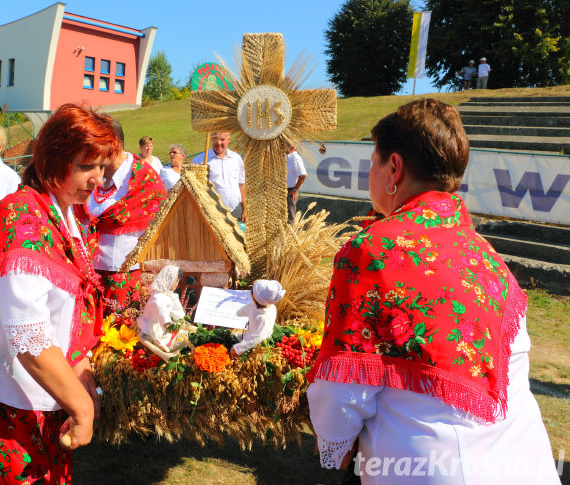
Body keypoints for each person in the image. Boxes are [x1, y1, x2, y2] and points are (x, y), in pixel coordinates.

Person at [306, 99, 559, 484]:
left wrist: (334, 446)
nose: (370, 175)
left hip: (429, 468)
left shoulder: (373, 249)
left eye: (372, 163)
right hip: (525, 461)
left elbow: (341, 390)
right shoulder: (485, 253)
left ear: (394, 167)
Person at [0, 104, 119, 484]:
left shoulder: (61, 212)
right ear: (53, 160)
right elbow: (29, 335)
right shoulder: (22, 218)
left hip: (45, 399)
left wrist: (81, 365)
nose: (97, 180)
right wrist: (81, 407)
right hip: (11, 406)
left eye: (102, 168)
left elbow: (64, 314)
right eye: (86, 167)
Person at [86, 119, 166, 317]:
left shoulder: (144, 178)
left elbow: (161, 229)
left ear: (114, 144)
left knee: (121, 338)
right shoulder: (90, 173)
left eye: (96, 145)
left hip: (125, 277)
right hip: (88, 276)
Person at [136, 265, 191, 358]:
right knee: (170, 343)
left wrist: (181, 321)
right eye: (176, 280)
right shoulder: (158, 298)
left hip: (164, 324)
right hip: (154, 327)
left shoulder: (170, 295)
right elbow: (163, 316)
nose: (177, 283)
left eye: (178, 280)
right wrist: (170, 326)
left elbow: (177, 313)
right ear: (168, 280)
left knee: (185, 333)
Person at [193, 132, 246, 222]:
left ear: (228, 140)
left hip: (236, 210)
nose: (218, 143)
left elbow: (241, 184)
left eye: (222, 139)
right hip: (213, 213)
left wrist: (245, 208)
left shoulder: (236, 158)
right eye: (215, 139)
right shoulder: (199, 161)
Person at [230, 280, 286, 356]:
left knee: (232, 348)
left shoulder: (262, 318)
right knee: (233, 336)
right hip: (251, 334)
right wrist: (238, 313)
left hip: (260, 343)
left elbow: (257, 338)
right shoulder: (266, 305)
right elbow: (247, 308)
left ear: (254, 297)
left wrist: (237, 349)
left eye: (252, 292)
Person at [286, 144, 307, 225]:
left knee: (289, 218)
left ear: (292, 147)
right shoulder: (287, 157)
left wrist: (295, 190)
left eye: (286, 145)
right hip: (284, 190)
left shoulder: (295, 158)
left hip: (290, 190)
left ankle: (289, 236)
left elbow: (303, 175)